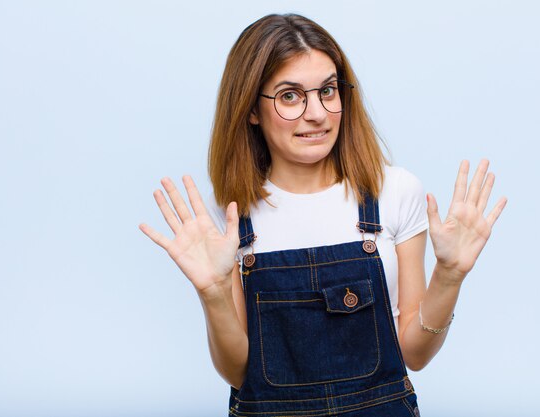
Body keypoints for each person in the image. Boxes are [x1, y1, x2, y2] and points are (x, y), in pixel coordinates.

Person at [139, 13, 507, 417]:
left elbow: (414, 353)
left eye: (327, 91)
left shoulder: (395, 192)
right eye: (291, 96)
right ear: (251, 110)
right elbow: (237, 371)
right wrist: (212, 295)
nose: (316, 113)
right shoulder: (227, 214)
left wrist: (449, 276)